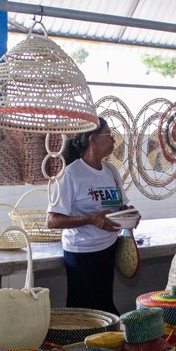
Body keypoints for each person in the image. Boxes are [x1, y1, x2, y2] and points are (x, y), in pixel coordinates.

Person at [46, 117, 135, 315]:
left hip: (108, 248)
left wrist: (130, 214)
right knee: (83, 314)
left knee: (104, 308)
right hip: (82, 254)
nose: (113, 141)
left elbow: (121, 205)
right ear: (92, 140)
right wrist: (91, 219)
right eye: (109, 136)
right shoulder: (71, 174)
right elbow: (52, 220)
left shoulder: (111, 171)